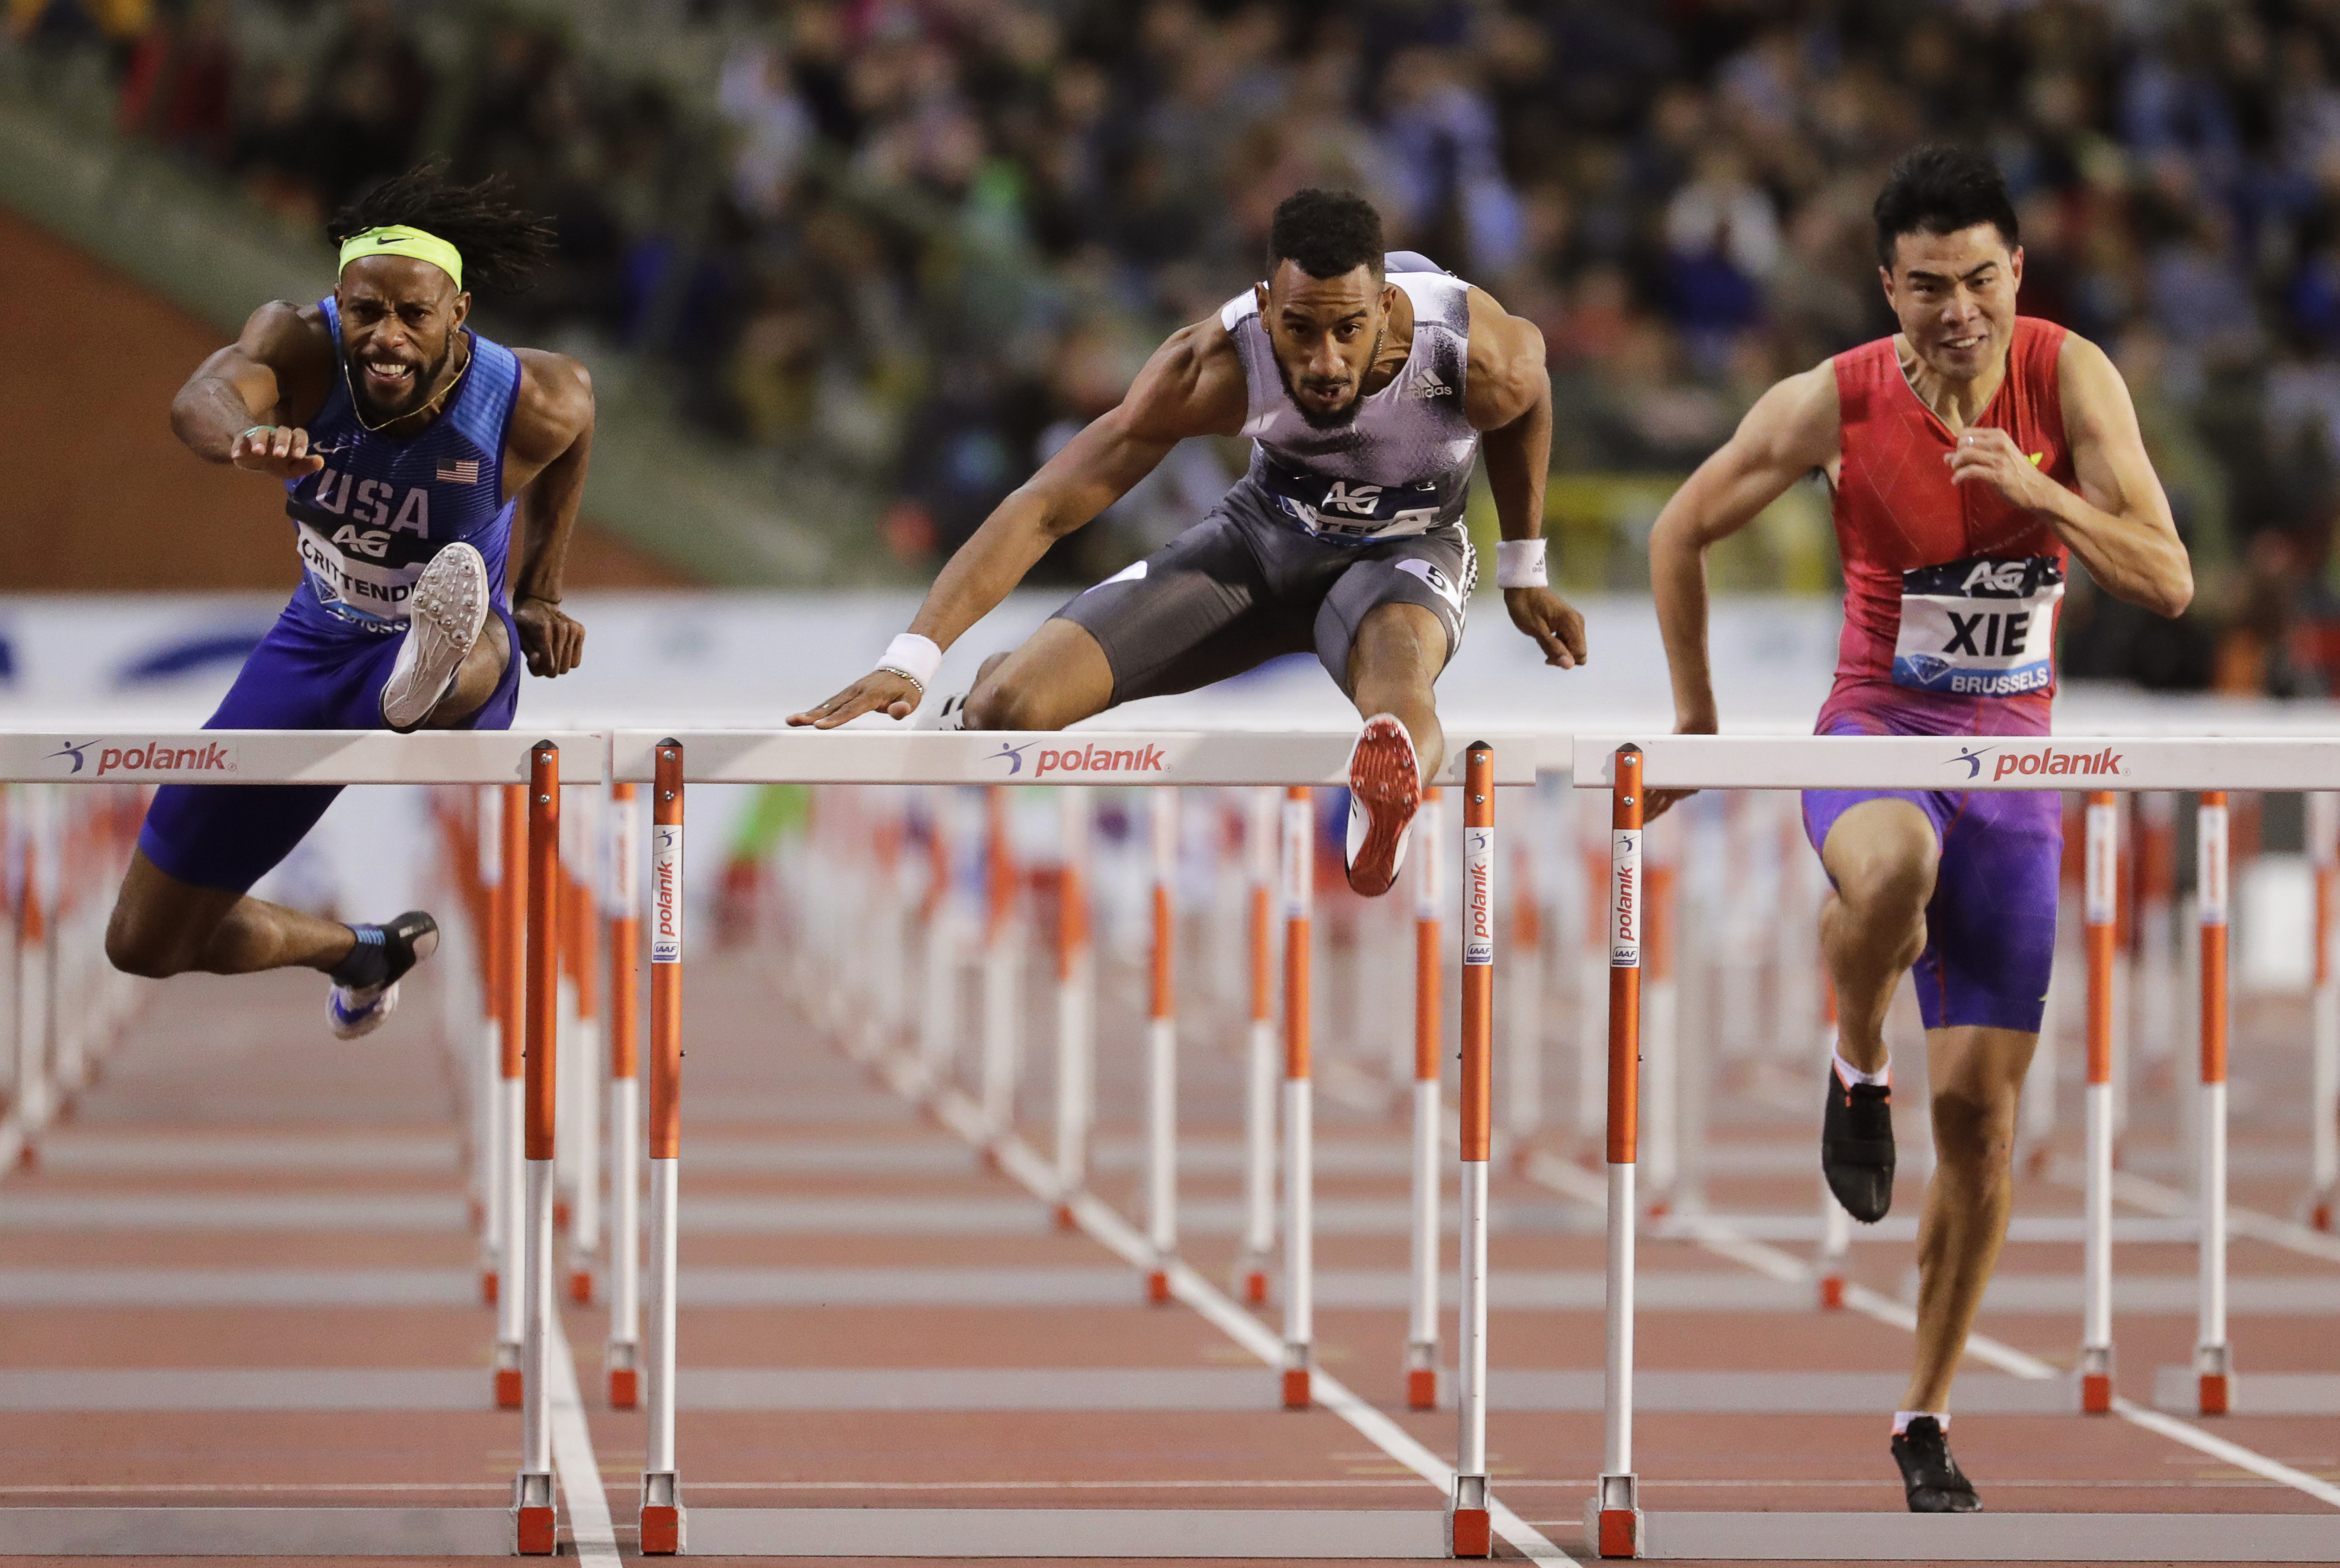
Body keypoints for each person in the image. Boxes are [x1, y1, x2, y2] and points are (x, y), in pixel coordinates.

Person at [1646, 146, 2192, 1512]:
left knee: (1983, 1128)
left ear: (2019, 270)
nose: (1959, 309)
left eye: (1983, 279)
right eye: (1929, 285)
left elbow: (2171, 578)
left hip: (2013, 764)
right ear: (1886, 285)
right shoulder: (1832, 400)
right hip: (1878, 728)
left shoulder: (2071, 379)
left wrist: (2042, 488)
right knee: (1893, 865)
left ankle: (1924, 1414)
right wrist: (1698, 728)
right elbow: (1676, 530)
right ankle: (1855, 1056)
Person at [790, 188, 1585, 896]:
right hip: (1261, 543)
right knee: (1013, 709)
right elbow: (1044, 505)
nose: (1323, 362)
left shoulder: (1473, 352)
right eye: (1299, 330)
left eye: (1348, 330)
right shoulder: (1214, 364)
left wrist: (1523, 571)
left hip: (1403, 557)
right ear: (1265, 303)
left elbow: (1527, 407)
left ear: (1383, 306)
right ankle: (1001, 678)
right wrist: (914, 656)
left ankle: (1389, 788)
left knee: (1396, 671)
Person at [104, 166, 596, 1040]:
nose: (387, 337)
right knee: (145, 940)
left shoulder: (532, 397)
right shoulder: (296, 343)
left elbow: (573, 440)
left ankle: (430, 673)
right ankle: (359, 951)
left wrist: (539, 591)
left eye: (415, 314)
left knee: (471, 649)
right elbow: (202, 399)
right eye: (365, 312)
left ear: (459, 314)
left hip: (454, 641)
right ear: (339, 302)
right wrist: (244, 438)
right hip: (314, 641)